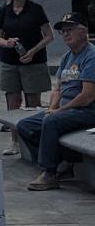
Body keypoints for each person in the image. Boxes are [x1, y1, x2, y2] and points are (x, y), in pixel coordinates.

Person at [18, 13, 95, 191]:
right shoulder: (68, 56)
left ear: (84, 31)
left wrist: (59, 111)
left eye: (70, 29)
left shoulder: (91, 56)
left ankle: (49, 173)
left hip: (86, 110)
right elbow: (57, 88)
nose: (66, 34)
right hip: (66, 110)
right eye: (63, 31)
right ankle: (61, 163)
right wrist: (52, 108)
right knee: (25, 125)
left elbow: (88, 96)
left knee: (51, 121)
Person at [0, 0, 54, 155]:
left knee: (33, 102)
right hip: (9, 61)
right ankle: (15, 141)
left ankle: (34, 141)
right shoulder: (5, 11)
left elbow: (49, 36)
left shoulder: (36, 9)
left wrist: (33, 51)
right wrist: (7, 43)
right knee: (13, 100)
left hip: (33, 61)